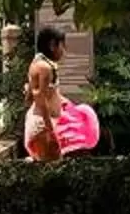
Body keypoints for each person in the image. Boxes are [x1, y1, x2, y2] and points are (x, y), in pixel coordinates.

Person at [22, 26, 100, 159]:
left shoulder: (38, 64)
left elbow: (30, 97)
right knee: (52, 166)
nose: (64, 51)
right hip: (43, 126)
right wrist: (50, 130)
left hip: (45, 122)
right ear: (53, 45)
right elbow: (40, 99)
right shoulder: (45, 68)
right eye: (62, 46)